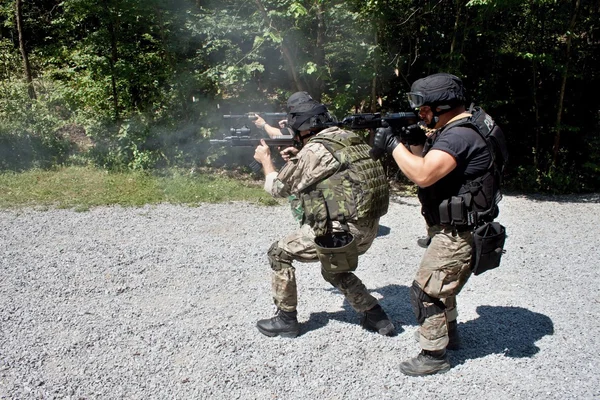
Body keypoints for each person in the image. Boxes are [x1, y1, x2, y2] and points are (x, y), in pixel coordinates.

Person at [372, 73, 506, 376]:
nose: (421, 115)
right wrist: (418, 143)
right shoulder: (469, 123)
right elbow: (437, 167)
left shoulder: (459, 136)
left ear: (442, 106)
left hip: (460, 231)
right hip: (463, 225)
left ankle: (434, 355)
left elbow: (422, 175)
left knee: (426, 291)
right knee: (442, 284)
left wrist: (393, 145)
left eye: (424, 109)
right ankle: (451, 334)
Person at [252, 97, 395, 338]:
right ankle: (376, 316)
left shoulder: (314, 150)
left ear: (303, 127)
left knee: (278, 253)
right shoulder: (346, 138)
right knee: (332, 267)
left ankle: (286, 319)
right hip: (367, 228)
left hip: (343, 234)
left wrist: (266, 162)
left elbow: (278, 189)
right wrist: (299, 156)